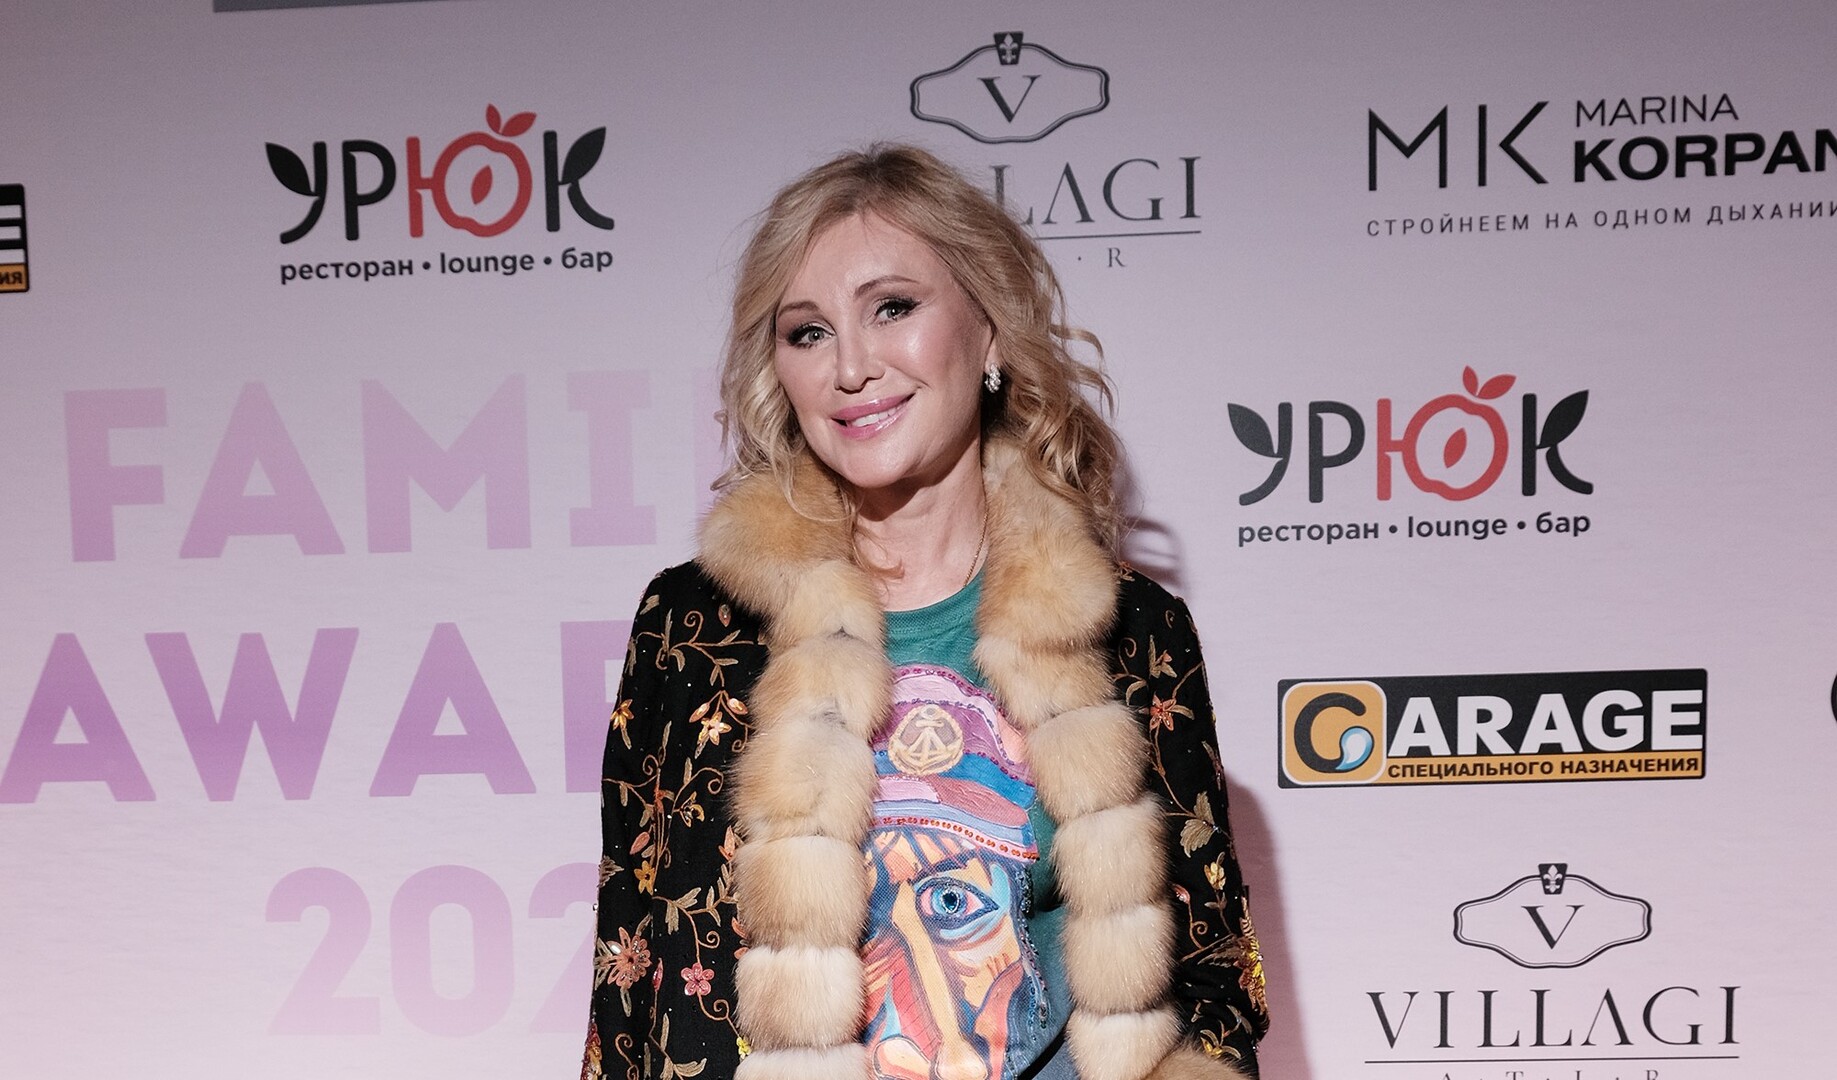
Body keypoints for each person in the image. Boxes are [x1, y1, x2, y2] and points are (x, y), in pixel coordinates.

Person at [582, 145, 1267, 1080]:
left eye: (892, 308)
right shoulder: (697, 627)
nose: (849, 367)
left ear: (990, 334)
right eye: (807, 332)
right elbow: (629, 970)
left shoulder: (1132, 630)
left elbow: (1214, 974)